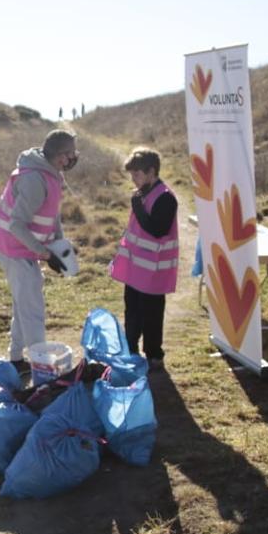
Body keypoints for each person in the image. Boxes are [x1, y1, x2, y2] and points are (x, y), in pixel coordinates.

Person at [0, 130, 79, 376]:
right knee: (32, 310)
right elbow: (17, 225)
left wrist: (58, 243)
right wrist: (45, 254)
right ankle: (43, 370)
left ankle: (17, 360)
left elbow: (51, 212)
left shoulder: (51, 172)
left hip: (22, 248)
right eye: (71, 153)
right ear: (61, 156)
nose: (75, 157)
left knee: (24, 303)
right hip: (14, 249)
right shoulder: (35, 180)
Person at [107, 147, 178, 371]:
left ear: (151, 172)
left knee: (152, 314)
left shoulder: (165, 198)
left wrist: (138, 208)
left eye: (137, 174)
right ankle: (130, 349)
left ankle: (154, 355)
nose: (133, 179)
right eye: (132, 174)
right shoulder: (142, 193)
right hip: (135, 268)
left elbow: (158, 230)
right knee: (132, 310)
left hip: (153, 271)